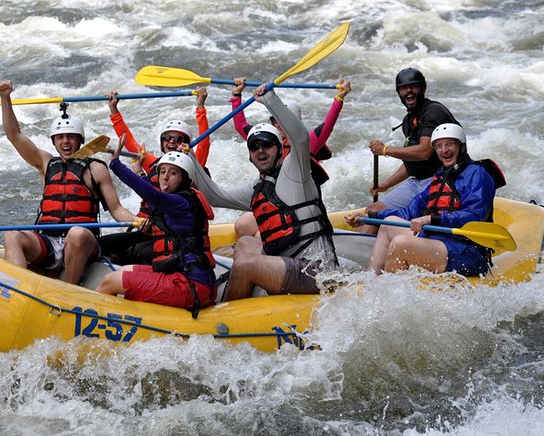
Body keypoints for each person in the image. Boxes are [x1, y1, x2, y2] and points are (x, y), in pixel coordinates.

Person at [187, 83, 339, 301]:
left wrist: (271, 99)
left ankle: (228, 315)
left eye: (267, 144)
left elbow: (301, 138)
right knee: (245, 243)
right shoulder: (257, 187)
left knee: (245, 266)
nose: (260, 150)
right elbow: (214, 196)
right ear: (250, 155)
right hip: (288, 263)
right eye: (254, 146)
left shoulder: (294, 171)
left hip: (316, 271)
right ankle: (250, 301)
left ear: (278, 149)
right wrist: (191, 158)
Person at [0, 79, 136, 285]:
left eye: (71, 137)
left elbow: (116, 210)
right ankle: (20, 289)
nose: (65, 142)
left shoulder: (95, 168)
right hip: (48, 241)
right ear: (54, 141)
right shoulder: (45, 163)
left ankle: (68, 290)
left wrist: (138, 220)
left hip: (83, 243)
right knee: (12, 235)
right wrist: (5, 98)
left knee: (77, 233)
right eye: (60, 138)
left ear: (80, 140)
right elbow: (14, 135)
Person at [345, 123, 506, 276]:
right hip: (438, 241)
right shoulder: (440, 177)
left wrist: (432, 219)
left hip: (467, 252)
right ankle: (370, 280)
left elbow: (474, 215)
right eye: (439, 146)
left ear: (462, 147)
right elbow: (409, 212)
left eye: (450, 144)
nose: (444, 150)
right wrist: (368, 218)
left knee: (401, 243)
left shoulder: (477, 173)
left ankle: (388, 294)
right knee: (388, 223)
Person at [96, 138, 216, 316]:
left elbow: (150, 193)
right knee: (125, 269)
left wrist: (115, 163)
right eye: (162, 172)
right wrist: (138, 169)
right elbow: (152, 191)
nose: (165, 177)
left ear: (184, 179)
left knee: (109, 281)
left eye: (173, 173)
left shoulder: (182, 202)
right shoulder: (172, 200)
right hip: (183, 276)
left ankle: (90, 321)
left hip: (191, 284)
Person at [98, 87, 212, 265]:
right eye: (168, 137)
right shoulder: (153, 162)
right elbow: (128, 142)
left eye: (179, 139)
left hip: (170, 235)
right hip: (144, 229)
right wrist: (114, 111)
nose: (172, 142)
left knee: (134, 253)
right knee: (101, 245)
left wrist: (201, 107)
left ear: (187, 144)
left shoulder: (193, 165)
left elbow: (204, 142)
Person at [229, 78, 352, 236]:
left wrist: (339, 98)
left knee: (261, 235)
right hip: (273, 204)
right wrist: (236, 96)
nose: (279, 125)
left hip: (298, 210)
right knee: (242, 224)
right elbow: (241, 126)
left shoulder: (307, 143)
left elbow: (328, 124)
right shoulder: (265, 143)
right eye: (275, 121)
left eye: (282, 120)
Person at [362, 67, 460, 233]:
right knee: (373, 210)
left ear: (422, 88)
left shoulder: (434, 111)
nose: (408, 91)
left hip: (442, 180)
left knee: (413, 218)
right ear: (398, 92)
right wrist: (386, 185)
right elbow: (412, 163)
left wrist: (385, 150)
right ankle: (358, 256)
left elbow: (423, 152)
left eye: (413, 86)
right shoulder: (408, 120)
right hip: (417, 181)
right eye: (403, 88)